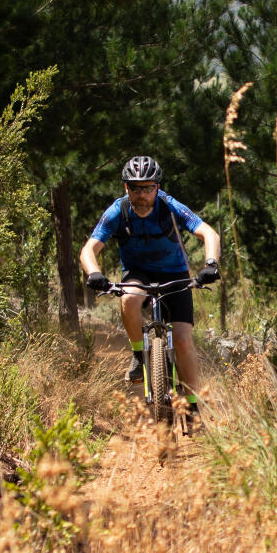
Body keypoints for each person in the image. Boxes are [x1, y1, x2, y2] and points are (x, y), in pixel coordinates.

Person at [80, 156, 221, 414]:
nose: (142, 195)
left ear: (157, 187)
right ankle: (137, 354)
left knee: (181, 338)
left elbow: (208, 233)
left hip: (175, 274)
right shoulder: (117, 211)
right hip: (138, 273)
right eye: (135, 188)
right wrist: (94, 273)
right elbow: (89, 249)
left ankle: (191, 407)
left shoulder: (169, 207)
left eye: (148, 188)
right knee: (129, 298)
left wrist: (211, 263)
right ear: (126, 188)